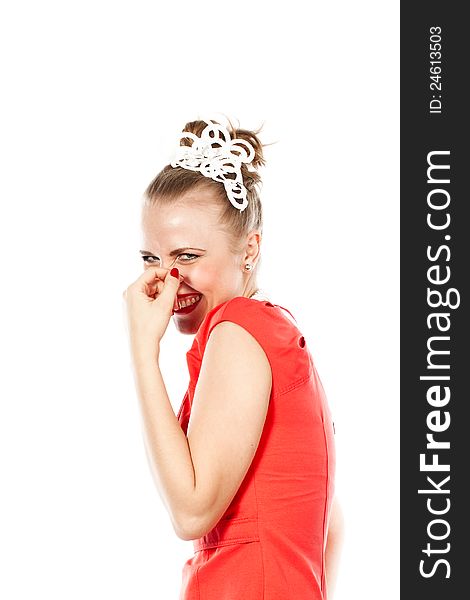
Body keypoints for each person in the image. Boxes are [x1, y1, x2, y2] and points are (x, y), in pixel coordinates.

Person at [122, 116, 344, 599]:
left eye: (187, 256)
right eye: (150, 258)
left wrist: (143, 354)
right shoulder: (272, 335)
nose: (165, 279)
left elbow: (192, 512)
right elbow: (333, 526)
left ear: (249, 249)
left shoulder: (238, 329)